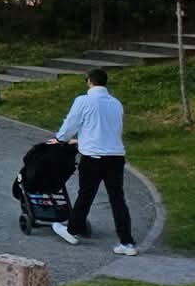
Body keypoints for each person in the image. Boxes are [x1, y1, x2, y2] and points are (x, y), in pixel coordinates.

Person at [50, 67, 138, 255]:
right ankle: (127, 242)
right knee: (117, 199)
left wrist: (60, 139)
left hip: (93, 157)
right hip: (115, 156)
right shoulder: (116, 103)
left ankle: (72, 230)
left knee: (86, 194)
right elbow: (109, 130)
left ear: (89, 81)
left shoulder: (83, 100)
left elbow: (71, 124)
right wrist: (82, 140)